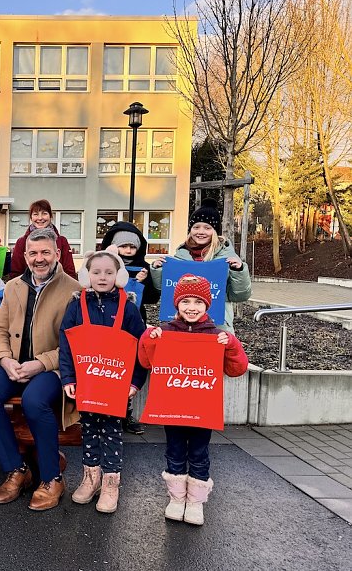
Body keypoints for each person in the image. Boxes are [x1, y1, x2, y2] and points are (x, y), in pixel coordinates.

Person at [0, 228, 81, 511]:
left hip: (51, 369)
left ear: (57, 254)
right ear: (24, 255)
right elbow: (0, 329)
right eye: (33, 253)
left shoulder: (74, 291)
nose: (39, 258)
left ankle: (52, 478)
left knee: (34, 400)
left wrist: (40, 363)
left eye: (45, 252)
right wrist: (4, 359)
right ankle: (17, 469)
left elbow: (74, 344)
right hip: (14, 364)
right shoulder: (13, 286)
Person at [138, 274, 248, 526]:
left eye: (198, 302)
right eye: (185, 301)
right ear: (176, 304)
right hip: (173, 408)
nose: (191, 307)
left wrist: (231, 344)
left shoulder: (216, 335)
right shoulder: (165, 331)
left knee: (199, 453)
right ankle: (177, 499)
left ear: (207, 305)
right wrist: (148, 339)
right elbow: (145, 361)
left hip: (201, 410)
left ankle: (196, 501)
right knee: (174, 451)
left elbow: (237, 368)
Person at [59, 246, 147, 514]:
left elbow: (140, 347)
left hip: (116, 383)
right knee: (89, 428)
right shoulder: (76, 305)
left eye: (109, 272)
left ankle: (111, 483)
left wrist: (135, 382)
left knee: (111, 431)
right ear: (87, 275)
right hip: (86, 381)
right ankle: (91, 477)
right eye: (96, 272)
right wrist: (68, 377)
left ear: (118, 276)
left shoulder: (129, 308)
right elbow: (66, 342)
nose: (102, 277)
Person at [150, 198, 252, 334]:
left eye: (207, 228)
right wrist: (158, 270)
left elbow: (240, 295)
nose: (201, 232)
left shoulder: (227, 259)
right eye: (196, 227)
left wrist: (238, 271)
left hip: (217, 327)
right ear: (190, 230)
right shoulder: (180, 256)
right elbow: (167, 291)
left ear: (215, 231)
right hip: (181, 326)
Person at [102, 220, 162, 436]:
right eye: (123, 246)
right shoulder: (104, 263)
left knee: (130, 368)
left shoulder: (144, 267)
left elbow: (153, 298)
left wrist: (143, 281)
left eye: (132, 246)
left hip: (134, 323)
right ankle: (103, 410)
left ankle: (125, 413)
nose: (128, 250)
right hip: (106, 323)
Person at [9, 199, 76, 279]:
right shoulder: (22, 242)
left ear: (50, 216)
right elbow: (15, 274)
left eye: (44, 214)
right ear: (31, 217)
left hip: (58, 285)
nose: (40, 218)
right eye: (36, 214)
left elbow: (70, 272)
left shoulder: (62, 241)